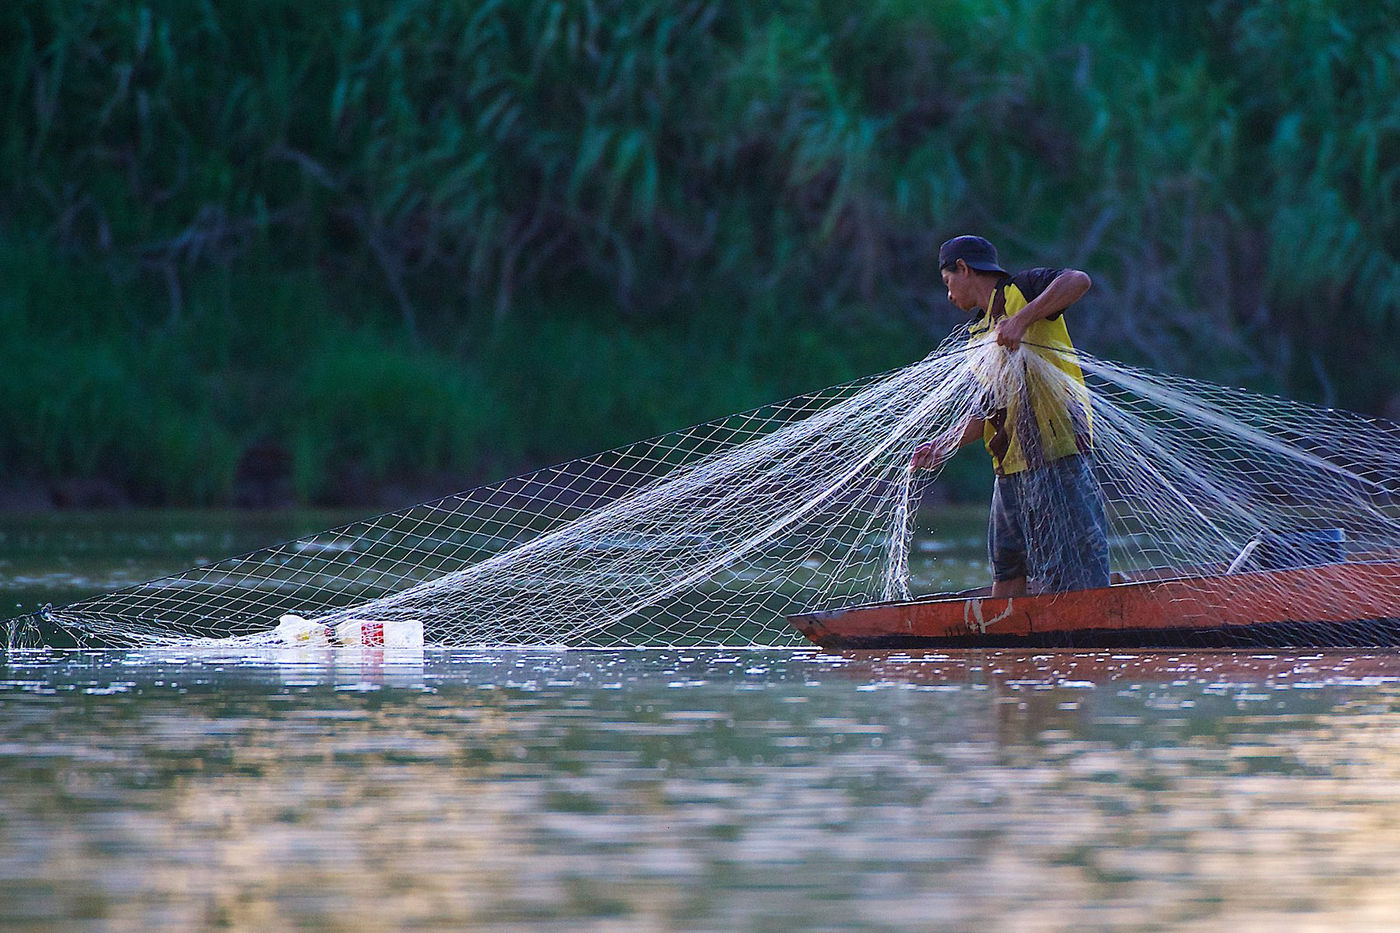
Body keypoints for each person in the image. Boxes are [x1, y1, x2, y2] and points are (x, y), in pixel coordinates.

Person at [911, 234, 1110, 597]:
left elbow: (1078, 281)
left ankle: (1089, 639)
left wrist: (1022, 320)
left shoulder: (1023, 289)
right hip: (1009, 466)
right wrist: (944, 445)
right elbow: (988, 409)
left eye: (948, 282)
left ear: (963, 268)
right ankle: (1006, 647)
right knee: (1007, 568)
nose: (949, 293)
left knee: (1074, 563)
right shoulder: (976, 335)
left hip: (1057, 453)